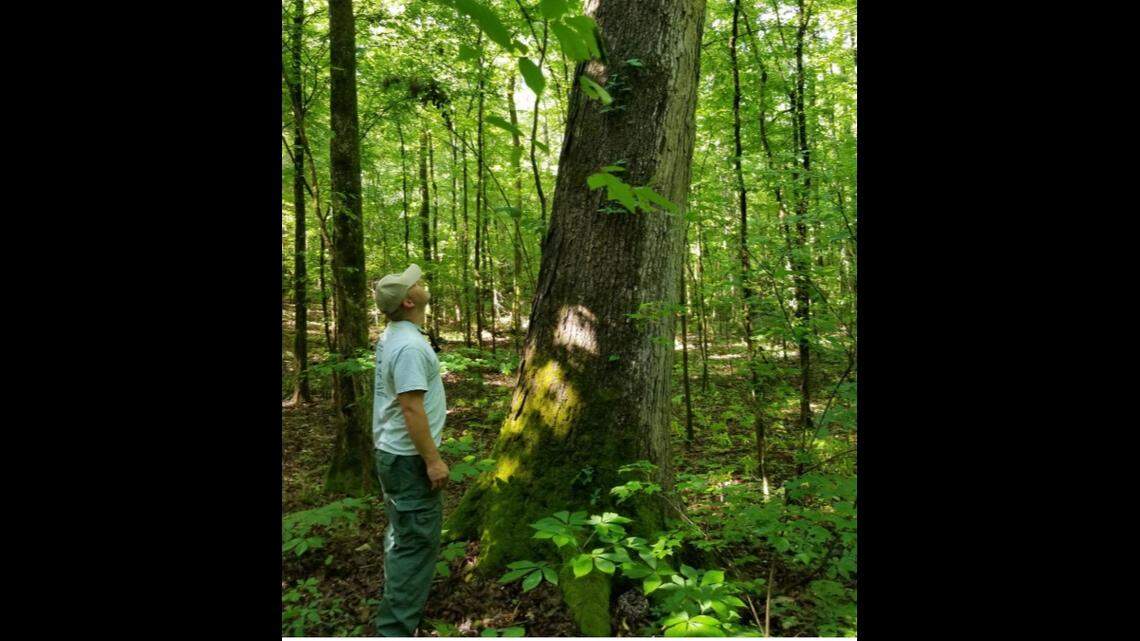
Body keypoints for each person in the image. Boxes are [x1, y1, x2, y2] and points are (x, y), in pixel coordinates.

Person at [370, 264, 449, 637]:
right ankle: (395, 629)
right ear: (408, 301)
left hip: (394, 452)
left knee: (402, 532)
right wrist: (432, 461)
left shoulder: (396, 336)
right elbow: (411, 407)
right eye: (414, 283)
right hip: (408, 459)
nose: (421, 282)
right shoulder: (409, 347)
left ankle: (397, 605)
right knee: (416, 543)